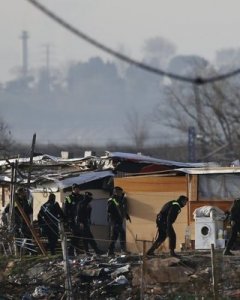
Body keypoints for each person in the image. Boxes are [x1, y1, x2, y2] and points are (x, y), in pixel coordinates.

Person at [3, 187, 34, 253]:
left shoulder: (24, 201)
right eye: (23, 192)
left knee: (27, 237)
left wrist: (31, 221)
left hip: (25, 222)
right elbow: (6, 210)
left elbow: (29, 211)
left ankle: (29, 251)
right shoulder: (15, 201)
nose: (24, 194)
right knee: (19, 237)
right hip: (18, 222)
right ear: (20, 193)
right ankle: (20, 251)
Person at [107, 186, 131, 256]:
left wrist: (126, 215)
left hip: (118, 220)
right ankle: (123, 250)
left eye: (121, 192)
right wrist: (114, 221)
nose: (121, 193)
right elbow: (109, 211)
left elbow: (120, 208)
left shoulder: (118, 199)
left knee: (114, 236)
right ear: (116, 192)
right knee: (122, 233)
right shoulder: (112, 199)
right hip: (115, 221)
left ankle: (110, 251)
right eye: (120, 192)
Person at [63, 183, 85, 256]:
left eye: (78, 189)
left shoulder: (81, 197)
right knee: (75, 235)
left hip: (80, 219)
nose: (77, 190)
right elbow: (66, 210)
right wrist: (68, 220)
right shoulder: (68, 198)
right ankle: (71, 251)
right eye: (76, 189)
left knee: (78, 235)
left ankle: (75, 250)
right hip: (72, 220)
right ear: (73, 189)